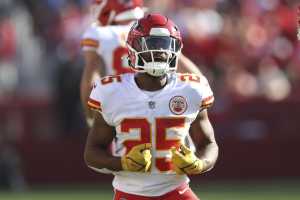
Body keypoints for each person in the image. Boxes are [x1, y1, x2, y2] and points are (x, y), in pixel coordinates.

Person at [84, 13, 219, 200]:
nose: (161, 51)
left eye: (165, 44)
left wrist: (199, 163)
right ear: (133, 47)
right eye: (152, 44)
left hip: (176, 190)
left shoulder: (191, 89)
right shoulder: (112, 92)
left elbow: (209, 144)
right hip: (130, 193)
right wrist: (123, 163)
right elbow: (92, 152)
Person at [80, 0, 202, 125]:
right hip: (159, 105)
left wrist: (92, 117)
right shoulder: (154, 30)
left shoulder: (99, 34)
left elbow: (90, 80)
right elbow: (195, 77)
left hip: (119, 109)